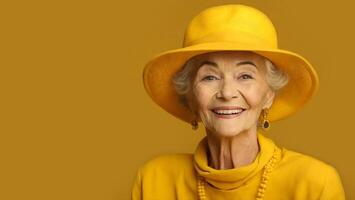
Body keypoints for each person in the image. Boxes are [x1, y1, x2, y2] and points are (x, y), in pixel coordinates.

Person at [131, 4, 345, 200]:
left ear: (269, 94)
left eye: (245, 76)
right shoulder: (153, 182)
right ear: (190, 97)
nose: (226, 93)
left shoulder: (315, 184)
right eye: (209, 77)